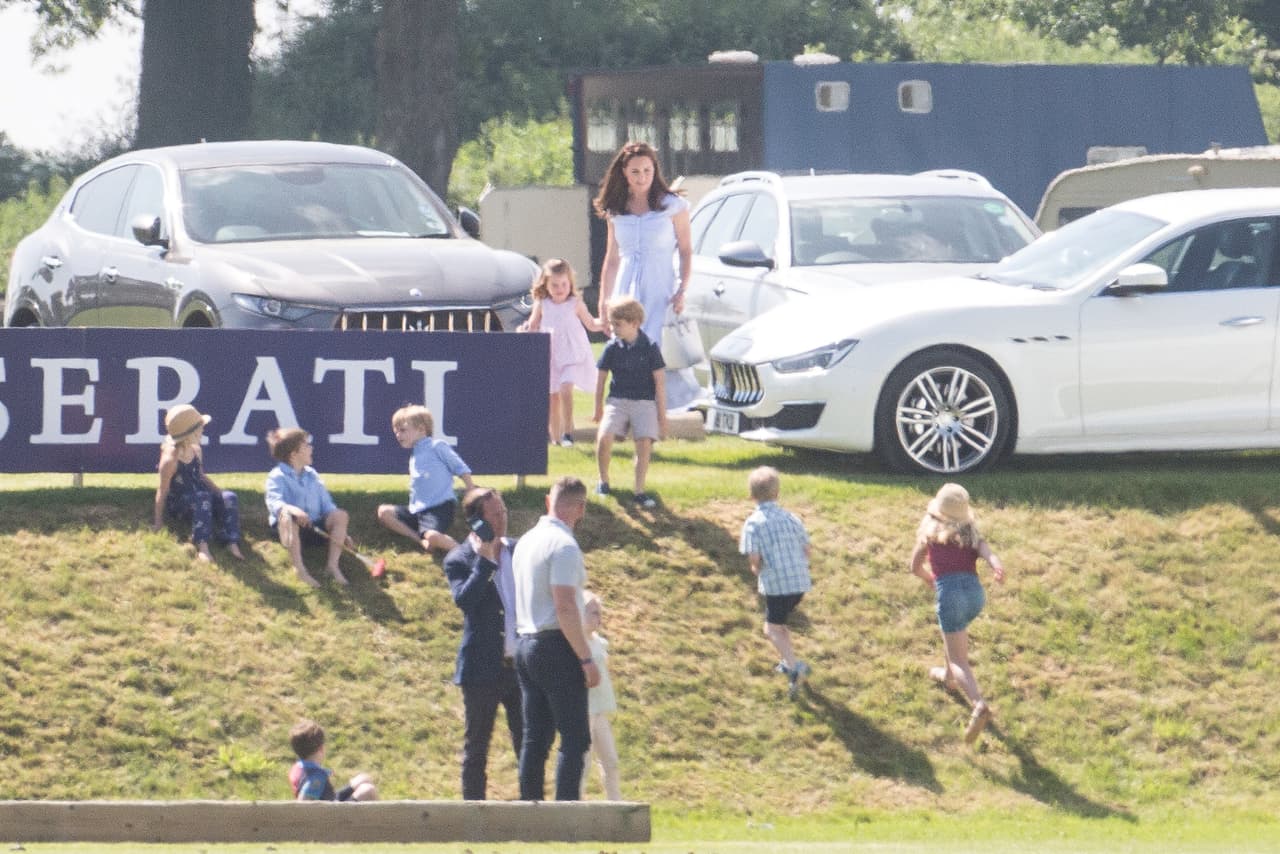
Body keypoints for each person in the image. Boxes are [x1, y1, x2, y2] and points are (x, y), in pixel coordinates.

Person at [593, 140, 700, 411]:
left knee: (654, 346)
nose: (642, 178)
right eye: (635, 172)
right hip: (626, 286)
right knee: (624, 345)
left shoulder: (673, 206)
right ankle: (627, 408)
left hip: (659, 284)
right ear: (624, 173)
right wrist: (604, 301)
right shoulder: (616, 209)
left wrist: (682, 289)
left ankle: (662, 410)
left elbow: (686, 251)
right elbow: (612, 258)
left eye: (647, 171)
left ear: (655, 171)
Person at [512, 475, 599, 801]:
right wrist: (586, 658)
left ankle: (529, 813)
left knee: (535, 737)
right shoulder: (563, 546)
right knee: (575, 738)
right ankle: (565, 818)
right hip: (554, 645)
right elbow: (564, 606)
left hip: (525, 642)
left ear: (549, 501)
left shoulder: (526, 541)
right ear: (581, 508)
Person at [443, 486, 523, 800]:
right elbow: (466, 600)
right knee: (476, 747)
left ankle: (535, 808)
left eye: (504, 512)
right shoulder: (459, 559)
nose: (502, 519)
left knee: (528, 742)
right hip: (481, 669)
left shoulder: (519, 551)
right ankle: (472, 817)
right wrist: (485, 562)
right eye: (494, 514)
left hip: (519, 667)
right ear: (477, 521)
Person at [909, 482, 1006, 744]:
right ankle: (948, 678)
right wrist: (996, 566)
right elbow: (988, 553)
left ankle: (978, 703)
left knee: (959, 658)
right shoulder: (971, 534)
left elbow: (914, 566)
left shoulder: (928, 535)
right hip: (975, 595)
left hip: (950, 595)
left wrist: (930, 579)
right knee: (953, 634)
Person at [740, 465, 813, 700]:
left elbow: (754, 557)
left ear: (751, 496)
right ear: (777, 493)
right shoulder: (792, 518)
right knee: (780, 625)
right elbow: (807, 548)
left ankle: (794, 667)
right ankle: (786, 660)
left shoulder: (753, 523)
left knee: (770, 628)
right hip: (799, 583)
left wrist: (755, 568)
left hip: (776, 584)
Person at [519, 258, 604, 447]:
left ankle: (568, 432)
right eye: (555, 285)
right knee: (553, 397)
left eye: (564, 284)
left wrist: (605, 323)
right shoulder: (542, 303)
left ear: (570, 283)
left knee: (566, 387)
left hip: (572, 353)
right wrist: (525, 330)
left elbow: (590, 323)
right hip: (551, 354)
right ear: (546, 285)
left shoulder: (575, 303)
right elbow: (533, 325)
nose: (560, 289)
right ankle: (555, 437)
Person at [593, 296, 667, 509]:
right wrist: (598, 407)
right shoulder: (612, 348)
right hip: (617, 400)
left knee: (644, 443)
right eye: (612, 323)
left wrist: (662, 417)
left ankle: (639, 490)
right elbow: (601, 377)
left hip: (644, 401)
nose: (614, 328)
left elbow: (660, 383)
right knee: (604, 437)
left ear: (634, 323)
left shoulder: (650, 347)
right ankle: (604, 481)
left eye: (618, 324)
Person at [152, 404, 244, 564]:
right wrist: (158, 521)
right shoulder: (170, 459)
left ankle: (231, 540)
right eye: (200, 428)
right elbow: (163, 489)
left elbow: (200, 475)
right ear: (190, 433)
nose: (203, 430)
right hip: (181, 503)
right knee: (203, 497)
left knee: (229, 497)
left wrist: (219, 493)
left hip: (202, 497)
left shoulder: (196, 450)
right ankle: (202, 545)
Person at [377, 404, 475, 554]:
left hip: (439, 508)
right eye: (396, 431)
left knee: (433, 536)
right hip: (417, 511)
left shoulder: (437, 446)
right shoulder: (415, 454)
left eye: (402, 430)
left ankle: (464, 553)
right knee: (383, 512)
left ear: (422, 429)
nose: (398, 435)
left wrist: (470, 490)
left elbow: (460, 467)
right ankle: (420, 539)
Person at [264, 427, 351, 588]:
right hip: (289, 529)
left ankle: (332, 566)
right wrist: (290, 508)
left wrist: (340, 531)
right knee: (288, 517)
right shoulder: (276, 476)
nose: (311, 448)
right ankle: (300, 570)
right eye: (306, 446)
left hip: (314, 527)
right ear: (293, 454)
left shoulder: (312, 474)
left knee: (340, 515)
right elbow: (274, 502)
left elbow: (327, 505)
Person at [579, 591, 622, 800]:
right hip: (584, 709)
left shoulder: (600, 643)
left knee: (611, 761)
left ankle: (616, 806)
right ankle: (574, 806)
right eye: (594, 613)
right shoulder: (577, 643)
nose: (599, 618)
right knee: (583, 762)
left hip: (600, 707)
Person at [288, 719, 377, 802]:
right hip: (331, 815)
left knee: (363, 778)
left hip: (329, 803)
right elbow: (303, 804)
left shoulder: (297, 767)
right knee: (368, 791)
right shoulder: (316, 776)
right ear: (321, 748)